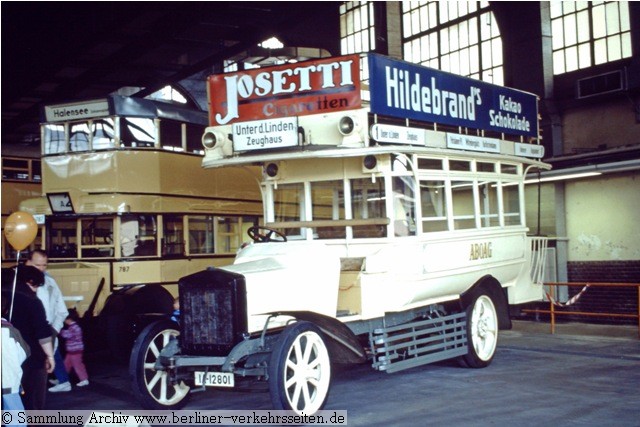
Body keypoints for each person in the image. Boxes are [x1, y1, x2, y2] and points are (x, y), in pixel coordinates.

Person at [2, 265, 55, 410]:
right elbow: (42, 332)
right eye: (36, 286)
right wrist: (50, 356)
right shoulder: (32, 301)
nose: (36, 290)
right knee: (32, 400)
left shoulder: (3, 296)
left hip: (5, 360)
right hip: (31, 359)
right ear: (29, 281)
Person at [25, 250, 71, 393]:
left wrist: (54, 331)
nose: (42, 269)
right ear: (28, 262)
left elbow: (61, 310)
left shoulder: (50, 282)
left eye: (44, 265)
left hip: (44, 332)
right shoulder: (15, 281)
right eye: (38, 265)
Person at [1, 292, 30, 419]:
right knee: (16, 419)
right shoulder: (10, 331)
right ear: (5, 310)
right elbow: (25, 352)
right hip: (8, 383)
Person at [57, 309, 89, 388]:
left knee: (77, 365)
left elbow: (68, 335)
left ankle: (84, 379)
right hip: (72, 350)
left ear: (69, 319)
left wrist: (60, 330)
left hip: (75, 350)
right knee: (66, 364)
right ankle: (62, 379)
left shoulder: (74, 327)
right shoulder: (74, 327)